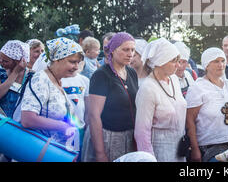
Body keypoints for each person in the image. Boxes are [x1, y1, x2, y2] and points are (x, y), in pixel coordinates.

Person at [82, 32, 138, 162]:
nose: (130, 54)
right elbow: (94, 116)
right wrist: (100, 153)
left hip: (129, 137)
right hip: (108, 138)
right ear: (112, 50)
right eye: (125, 49)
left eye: (133, 50)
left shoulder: (131, 72)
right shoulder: (101, 75)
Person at [20, 37, 83, 151]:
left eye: (78, 62)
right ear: (57, 59)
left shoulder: (57, 81)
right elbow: (27, 119)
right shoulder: (41, 79)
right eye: (72, 62)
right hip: (39, 152)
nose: (76, 67)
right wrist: (62, 126)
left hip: (54, 151)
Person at [134, 38, 186, 162]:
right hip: (159, 150)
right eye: (174, 61)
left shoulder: (174, 80)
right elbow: (141, 132)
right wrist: (149, 159)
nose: (178, 65)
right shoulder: (148, 88)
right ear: (160, 61)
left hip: (179, 148)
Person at [185, 47, 228, 162]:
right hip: (209, 146)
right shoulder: (198, 88)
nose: (221, 65)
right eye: (216, 61)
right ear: (206, 65)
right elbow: (189, 120)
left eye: (223, 61)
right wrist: (195, 149)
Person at [0, 40, 30, 118]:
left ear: (18, 61)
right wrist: (15, 73)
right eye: (0, 58)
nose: (1, 62)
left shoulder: (31, 77)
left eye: (5, 61)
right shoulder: (1, 73)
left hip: (19, 124)